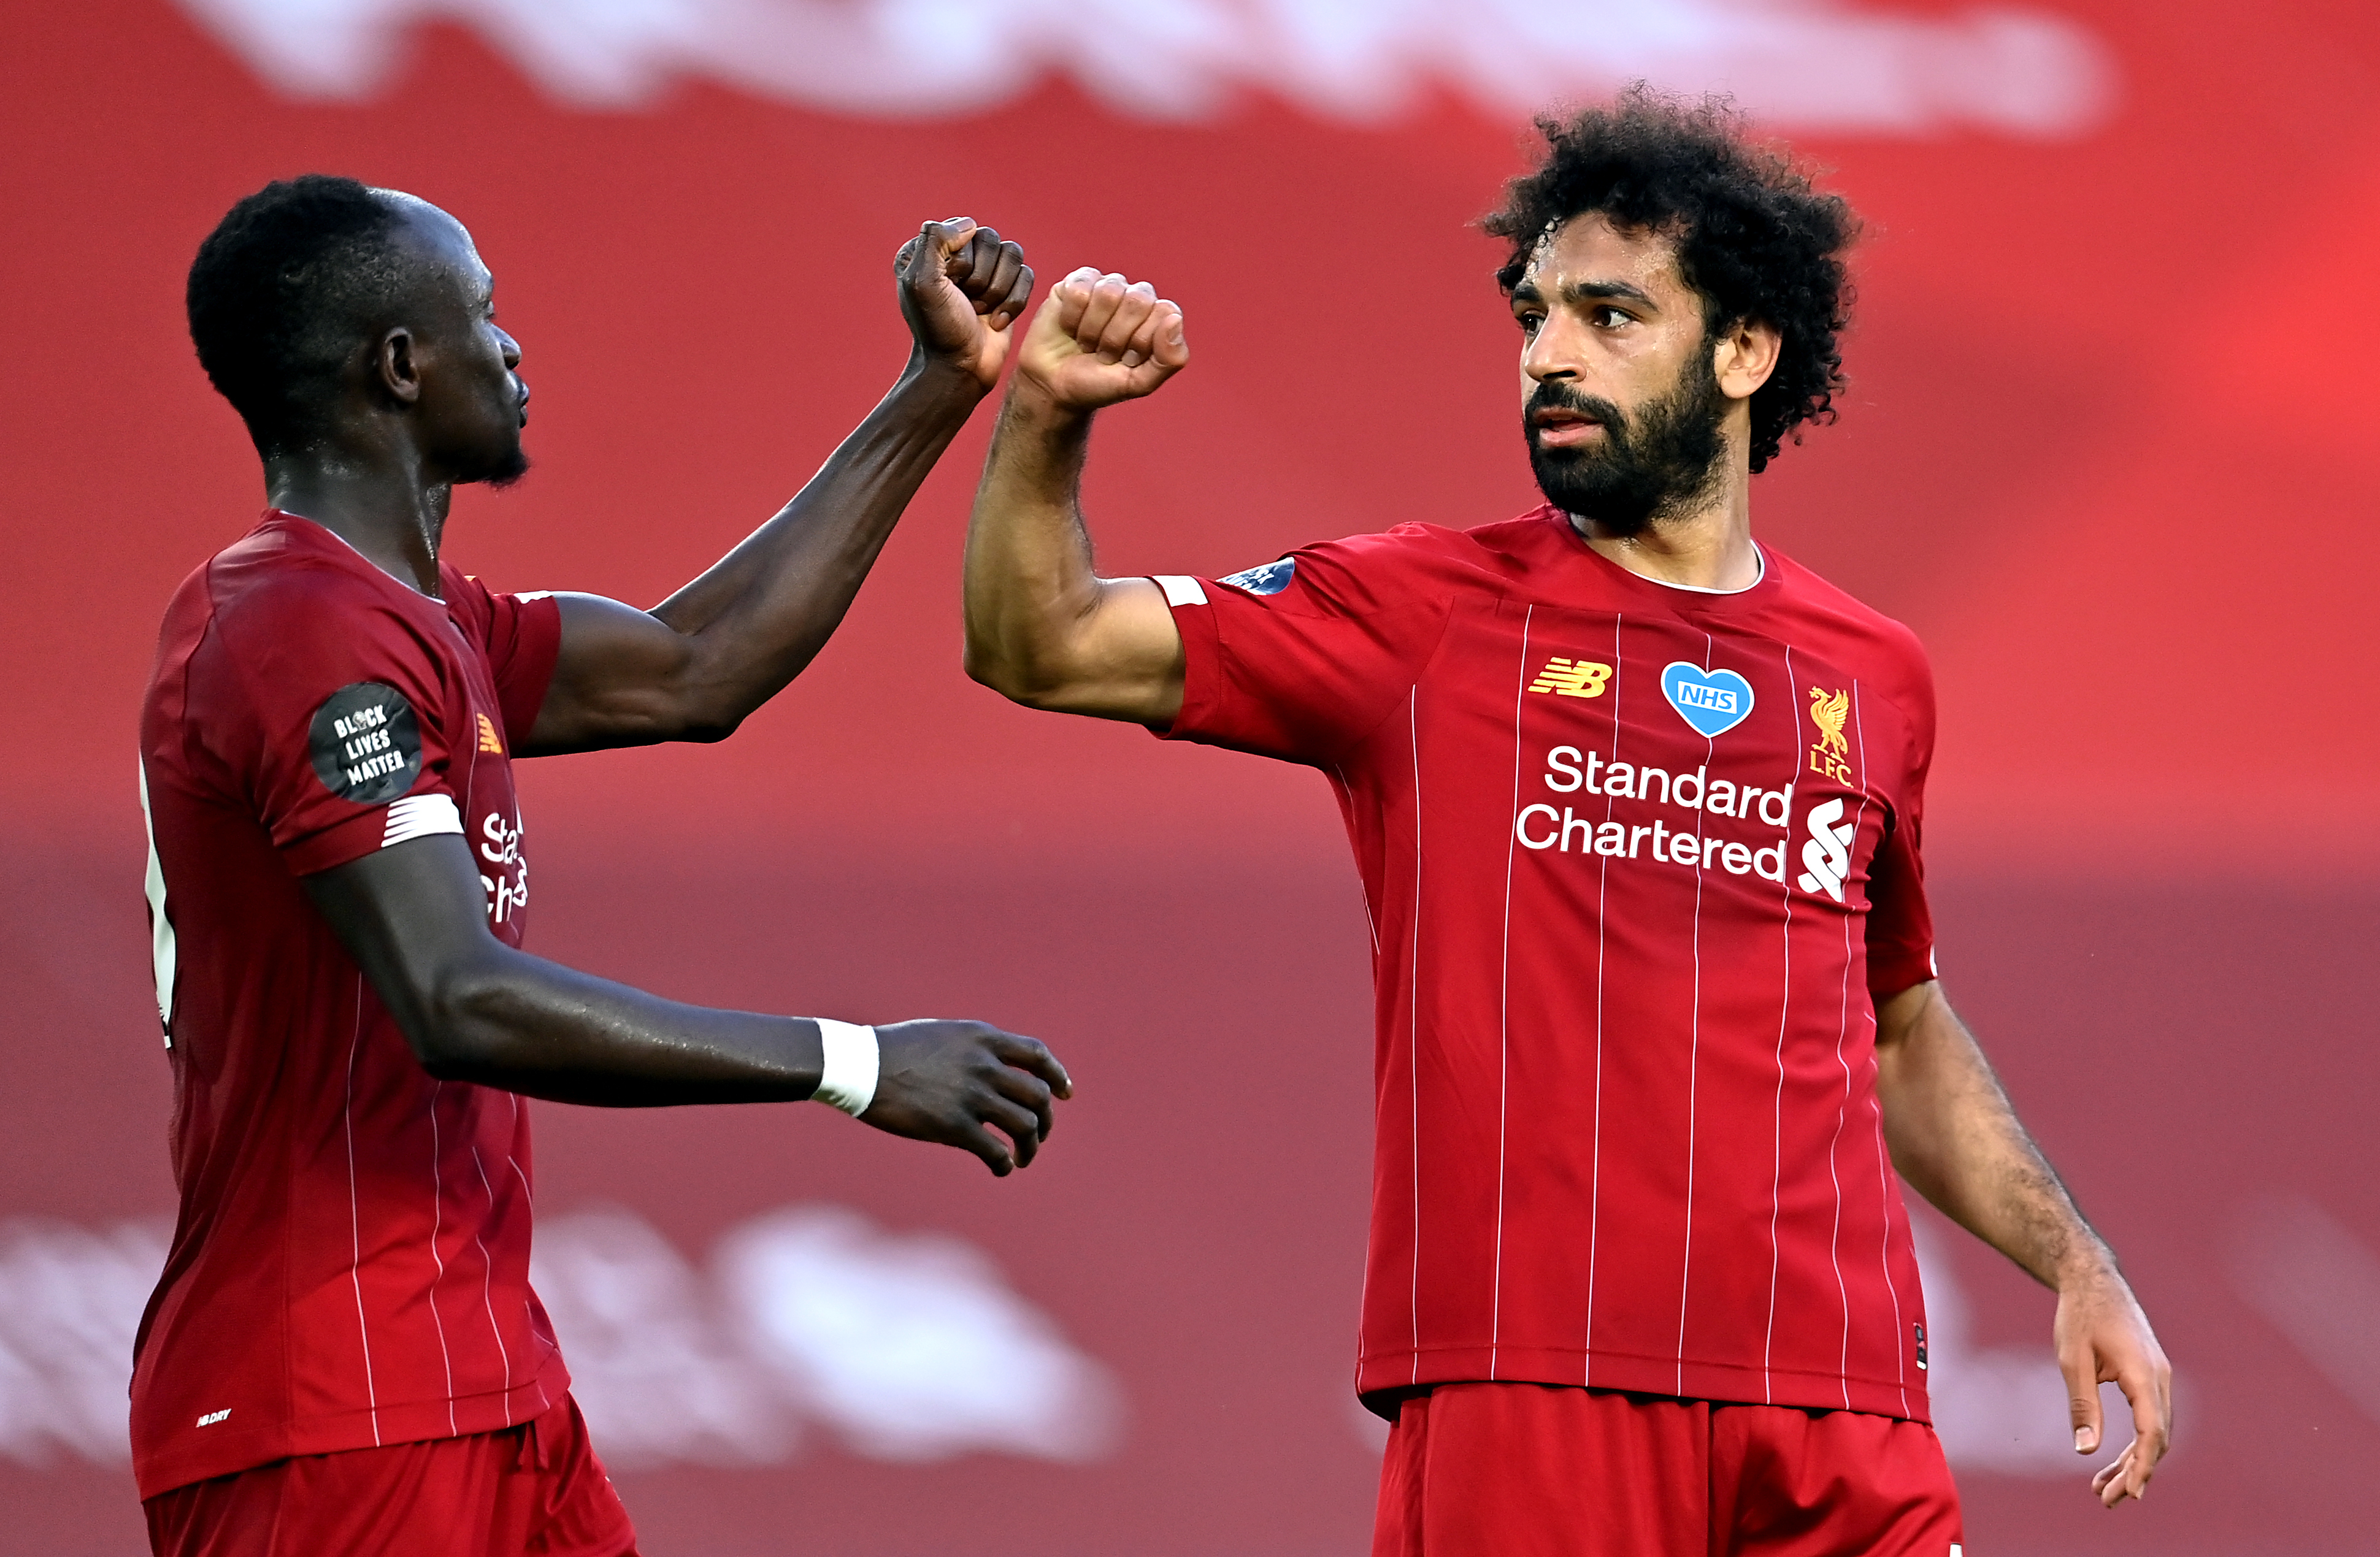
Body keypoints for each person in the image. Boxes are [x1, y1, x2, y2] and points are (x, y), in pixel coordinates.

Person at [960, 92, 2171, 1555]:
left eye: (1608, 315)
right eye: (1534, 314)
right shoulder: (1419, 616)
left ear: (1742, 351)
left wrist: (2072, 1261)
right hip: (1533, 1392)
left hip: (1842, 1402)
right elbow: (1039, 642)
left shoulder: (1873, 674)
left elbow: (1897, 1023)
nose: (1547, 355)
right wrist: (1043, 418)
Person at [134, 174, 1069, 1557]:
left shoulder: (418, 621)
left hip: (480, 1382)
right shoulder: (302, 637)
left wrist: (937, 386)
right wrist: (851, 1062)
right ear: (400, 366)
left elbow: (698, 665)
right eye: (485, 316)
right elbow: (456, 997)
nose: (512, 350)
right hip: (336, 1411)